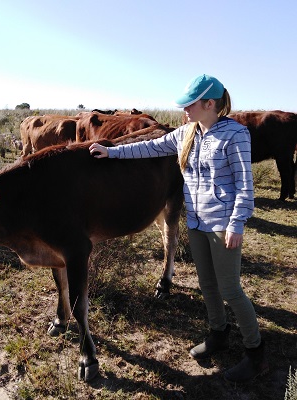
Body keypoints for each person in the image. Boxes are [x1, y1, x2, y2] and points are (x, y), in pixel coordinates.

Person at [89, 74, 269, 383]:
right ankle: (218, 334)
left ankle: (256, 354)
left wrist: (237, 223)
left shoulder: (235, 134)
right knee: (207, 284)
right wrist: (112, 152)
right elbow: (150, 147)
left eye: (190, 104)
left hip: (223, 224)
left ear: (209, 104)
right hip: (196, 222)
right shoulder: (186, 133)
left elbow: (245, 185)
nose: (184, 110)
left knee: (230, 289)